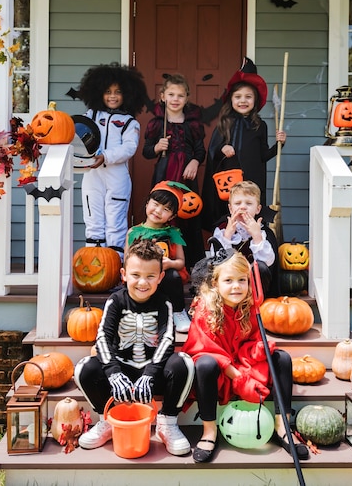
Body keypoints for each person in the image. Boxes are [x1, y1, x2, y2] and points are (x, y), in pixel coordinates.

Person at [182, 251, 309, 463]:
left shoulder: (250, 308)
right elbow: (202, 348)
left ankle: (283, 426)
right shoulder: (205, 309)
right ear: (215, 283)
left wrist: (257, 349)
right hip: (221, 373)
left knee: (282, 359)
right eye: (229, 280)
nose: (236, 286)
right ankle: (209, 431)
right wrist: (238, 377)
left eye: (242, 280)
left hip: (247, 366)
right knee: (205, 365)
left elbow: (252, 340)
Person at [74, 239, 195, 456]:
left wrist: (149, 374)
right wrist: (113, 372)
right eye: (136, 275)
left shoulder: (164, 302)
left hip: (152, 374)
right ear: (123, 274)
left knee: (184, 362)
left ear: (160, 277)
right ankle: (108, 420)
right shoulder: (116, 301)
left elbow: (167, 340)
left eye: (150, 276)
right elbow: (102, 337)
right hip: (121, 372)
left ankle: (167, 422)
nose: (142, 282)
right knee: (84, 367)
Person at [201, 58, 286, 231]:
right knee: (228, 214)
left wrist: (279, 144)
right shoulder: (225, 122)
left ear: (255, 100)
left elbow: (263, 155)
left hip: (251, 179)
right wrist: (222, 148)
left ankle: (250, 248)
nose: (243, 101)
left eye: (248, 97)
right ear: (231, 100)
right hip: (228, 179)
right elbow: (212, 151)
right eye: (238, 97)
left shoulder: (260, 125)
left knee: (249, 214)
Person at [78, 62, 148, 258]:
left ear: (127, 94)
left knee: (115, 221)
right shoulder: (91, 115)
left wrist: (106, 156)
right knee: (93, 218)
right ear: (99, 92)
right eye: (108, 91)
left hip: (117, 176)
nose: (112, 96)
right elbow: (77, 133)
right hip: (93, 173)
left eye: (118, 92)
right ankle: (92, 263)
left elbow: (129, 147)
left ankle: (115, 265)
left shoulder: (129, 122)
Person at [142, 74, 207, 269]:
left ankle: (192, 264)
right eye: (171, 94)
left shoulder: (192, 125)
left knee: (188, 214)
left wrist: (195, 162)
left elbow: (200, 150)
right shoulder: (156, 123)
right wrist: (156, 147)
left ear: (187, 98)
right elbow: (146, 151)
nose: (175, 99)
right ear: (163, 96)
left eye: (180, 95)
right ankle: (159, 261)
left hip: (187, 178)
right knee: (163, 212)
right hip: (165, 175)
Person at [126, 181, 192, 333]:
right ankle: (141, 313)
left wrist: (169, 264)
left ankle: (178, 312)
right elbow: (127, 261)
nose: (158, 211)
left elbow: (181, 262)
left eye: (166, 209)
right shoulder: (134, 232)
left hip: (165, 275)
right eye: (155, 204)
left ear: (172, 216)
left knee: (173, 277)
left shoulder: (173, 233)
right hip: (143, 275)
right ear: (148, 202)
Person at [211, 180, 280, 296]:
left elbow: (269, 263)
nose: (243, 207)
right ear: (231, 208)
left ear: (257, 209)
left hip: (255, 286)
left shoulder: (264, 232)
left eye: (248, 203)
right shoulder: (222, 231)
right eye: (238, 203)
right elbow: (216, 262)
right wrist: (227, 236)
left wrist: (256, 236)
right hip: (230, 283)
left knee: (261, 268)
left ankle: (255, 305)